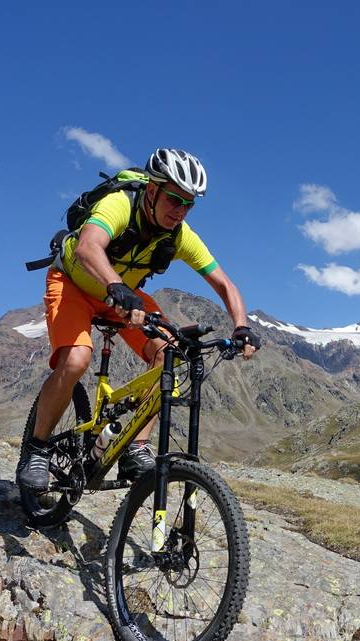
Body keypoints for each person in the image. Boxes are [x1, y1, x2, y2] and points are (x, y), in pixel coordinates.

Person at [17, 148, 259, 492]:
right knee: (76, 360)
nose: (180, 211)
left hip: (122, 293)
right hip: (73, 283)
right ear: (151, 190)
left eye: (189, 204)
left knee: (170, 355)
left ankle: (136, 447)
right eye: (175, 199)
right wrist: (115, 285)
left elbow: (224, 283)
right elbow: (88, 247)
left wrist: (242, 326)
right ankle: (37, 449)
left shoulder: (179, 235)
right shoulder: (119, 205)